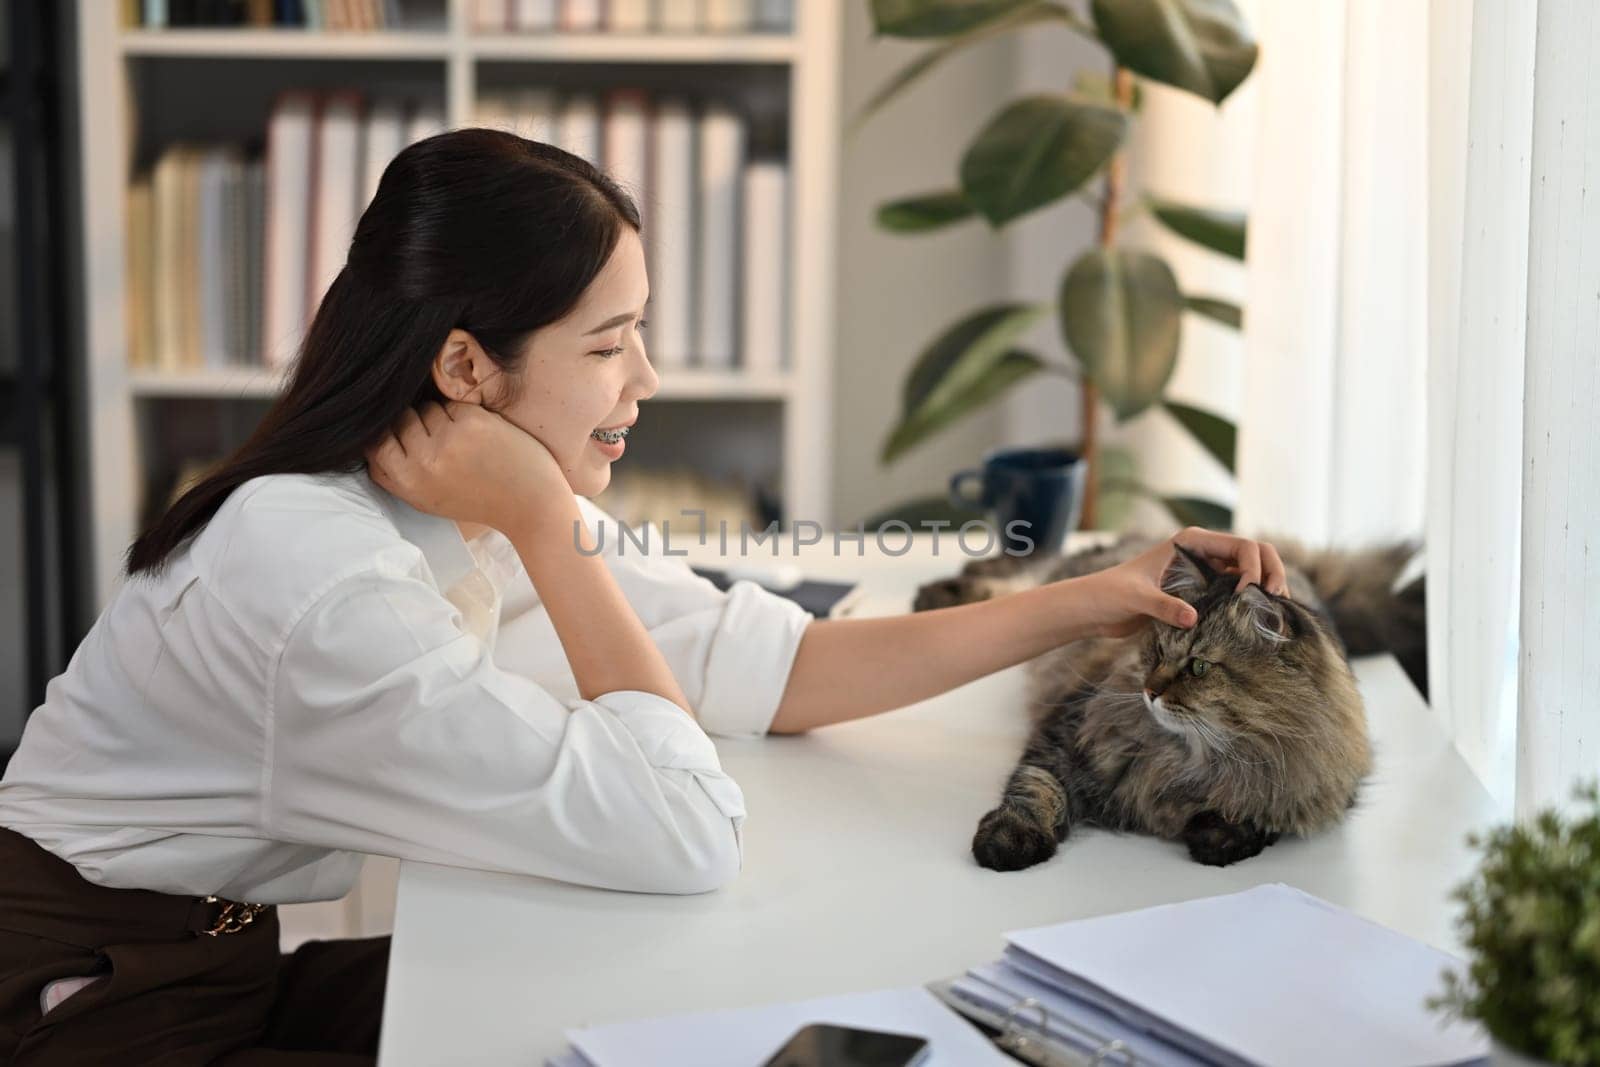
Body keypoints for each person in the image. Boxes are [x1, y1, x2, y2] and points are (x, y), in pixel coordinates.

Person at [0, 129, 1287, 1065]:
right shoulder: (326, 574)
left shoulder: (449, 488)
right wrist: (556, 536)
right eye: (608, 344)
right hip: (93, 1009)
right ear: (466, 366)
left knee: (640, 1007)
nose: (647, 377)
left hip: (215, 963)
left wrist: (1085, 600)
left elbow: (767, 663)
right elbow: (681, 833)